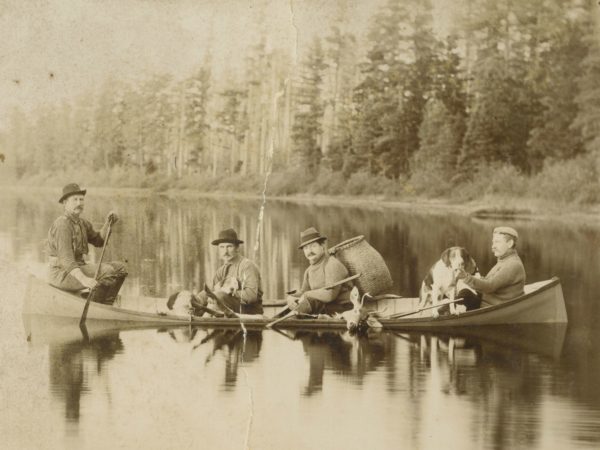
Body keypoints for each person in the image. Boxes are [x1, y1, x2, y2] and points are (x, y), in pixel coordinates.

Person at [47, 183, 128, 305]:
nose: (79, 203)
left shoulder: (82, 223)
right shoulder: (62, 225)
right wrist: (84, 280)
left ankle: (106, 303)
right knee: (107, 271)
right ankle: (97, 306)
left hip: (76, 270)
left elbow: (99, 241)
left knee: (121, 268)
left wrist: (108, 223)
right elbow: (67, 260)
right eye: (75, 200)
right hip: (61, 274)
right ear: (65, 203)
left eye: (81, 199)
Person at [195, 228, 263, 316]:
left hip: (249, 313)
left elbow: (251, 296)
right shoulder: (221, 270)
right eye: (222, 247)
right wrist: (197, 299)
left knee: (219, 296)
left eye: (229, 246)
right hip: (227, 309)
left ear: (237, 248)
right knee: (198, 299)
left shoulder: (247, 266)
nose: (225, 251)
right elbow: (211, 291)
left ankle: (205, 321)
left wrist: (229, 291)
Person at [286, 227, 353, 315]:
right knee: (298, 306)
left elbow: (330, 295)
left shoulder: (332, 264)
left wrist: (306, 294)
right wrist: (291, 297)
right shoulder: (308, 271)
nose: (309, 251)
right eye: (306, 248)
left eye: (313, 246)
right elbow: (304, 292)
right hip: (324, 308)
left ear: (322, 246)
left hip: (343, 309)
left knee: (306, 306)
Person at [454, 226, 526, 308]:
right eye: (493, 242)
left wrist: (466, 277)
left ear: (510, 243)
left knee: (465, 294)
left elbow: (489, 286)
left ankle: (445, 313)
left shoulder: (512, 265)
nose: (493, 246)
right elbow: (489, 281)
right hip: (488, 302)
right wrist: (474, 277)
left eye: (497, 242)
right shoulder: (504, 260)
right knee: (463, 293)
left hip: (494, 308)